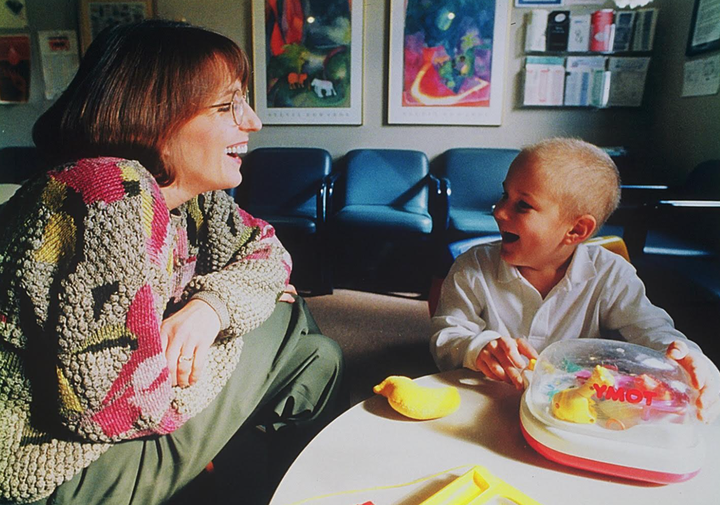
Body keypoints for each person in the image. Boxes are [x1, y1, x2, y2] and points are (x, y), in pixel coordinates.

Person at [0, 20, 343, 505]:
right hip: (57, 467)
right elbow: (117, 410)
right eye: (228, 106)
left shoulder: (196, 199)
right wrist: (249, 308)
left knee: (319, 357)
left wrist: (210, 308)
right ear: (156, 116)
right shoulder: (106, 190)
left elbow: (269, 251)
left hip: (124, 425)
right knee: (289, 319)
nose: (253, 122)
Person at [430, 138, 720, 422]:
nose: (499, 210)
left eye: (523, 205)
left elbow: (652, 330)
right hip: (487, 407)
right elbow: (445, 335)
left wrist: (688, 358)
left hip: (578, 419)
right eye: (505, 195)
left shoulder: (610, 275)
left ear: (576, 230)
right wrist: (478, 347)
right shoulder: (473, 267)